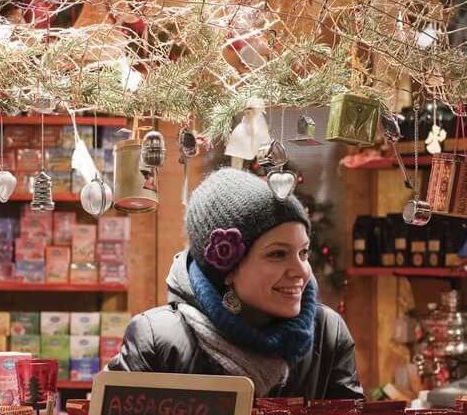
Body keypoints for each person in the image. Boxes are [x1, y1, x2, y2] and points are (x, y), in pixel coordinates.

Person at [108, 168, 363, 399]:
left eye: (303, 253)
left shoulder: (327, 332)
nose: (301, 271)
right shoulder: (156, 339)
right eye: (277, 254)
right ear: (227, 270)